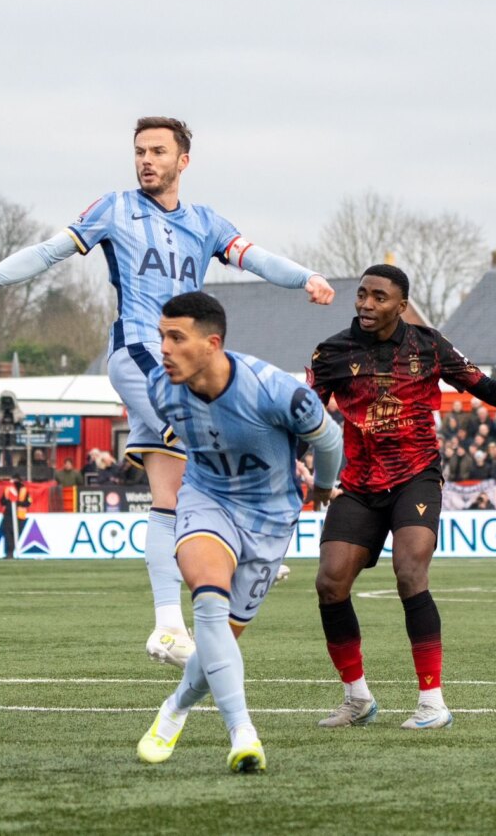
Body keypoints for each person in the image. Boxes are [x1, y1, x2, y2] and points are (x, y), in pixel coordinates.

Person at [0, 116, 335, 667]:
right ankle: (242, 540)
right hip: (139, 356)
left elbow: (256, 257)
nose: (146, 160)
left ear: (183, 161)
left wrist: (305, 278)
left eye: (157, 151)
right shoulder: (114, 209)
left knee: (169, 493)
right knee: (211, 440)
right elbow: (49, 251)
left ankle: (169, 626)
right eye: (140, 151)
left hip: (187, 360)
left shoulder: (205, 222)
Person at [307, 265, 496, 730]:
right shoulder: (330, 353)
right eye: (362, 295)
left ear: (401, 305)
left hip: (415, 478)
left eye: (379, 297)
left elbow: (483, 386)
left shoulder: (429, 345)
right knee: (330, 583)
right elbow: (303, 412)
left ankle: (432, 703)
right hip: (359, 485)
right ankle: (357, 699)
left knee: (409, 572)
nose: (366, 304)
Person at [135, 292, 343, 774]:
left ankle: (175, 708)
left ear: (212, 344)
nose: (163, 348)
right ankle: (242, 734)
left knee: (218, 645)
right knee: (208, 602)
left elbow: (329, 440)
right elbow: (185, 434)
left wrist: (324, 489)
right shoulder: (160, 386)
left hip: (271, 520)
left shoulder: (274, 391)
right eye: (161, 336)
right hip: (207, 502)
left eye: (176, 337)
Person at [0, 476, 31, 559]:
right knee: (8, 534)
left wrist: (18, 503)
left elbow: (28, 502)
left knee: (15, 535)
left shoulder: (24, 490)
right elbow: (2, 501)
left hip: (19, 516)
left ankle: (12, 552)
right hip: (8, 515)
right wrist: (9, 503)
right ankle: (9, 553)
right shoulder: (8, 489)